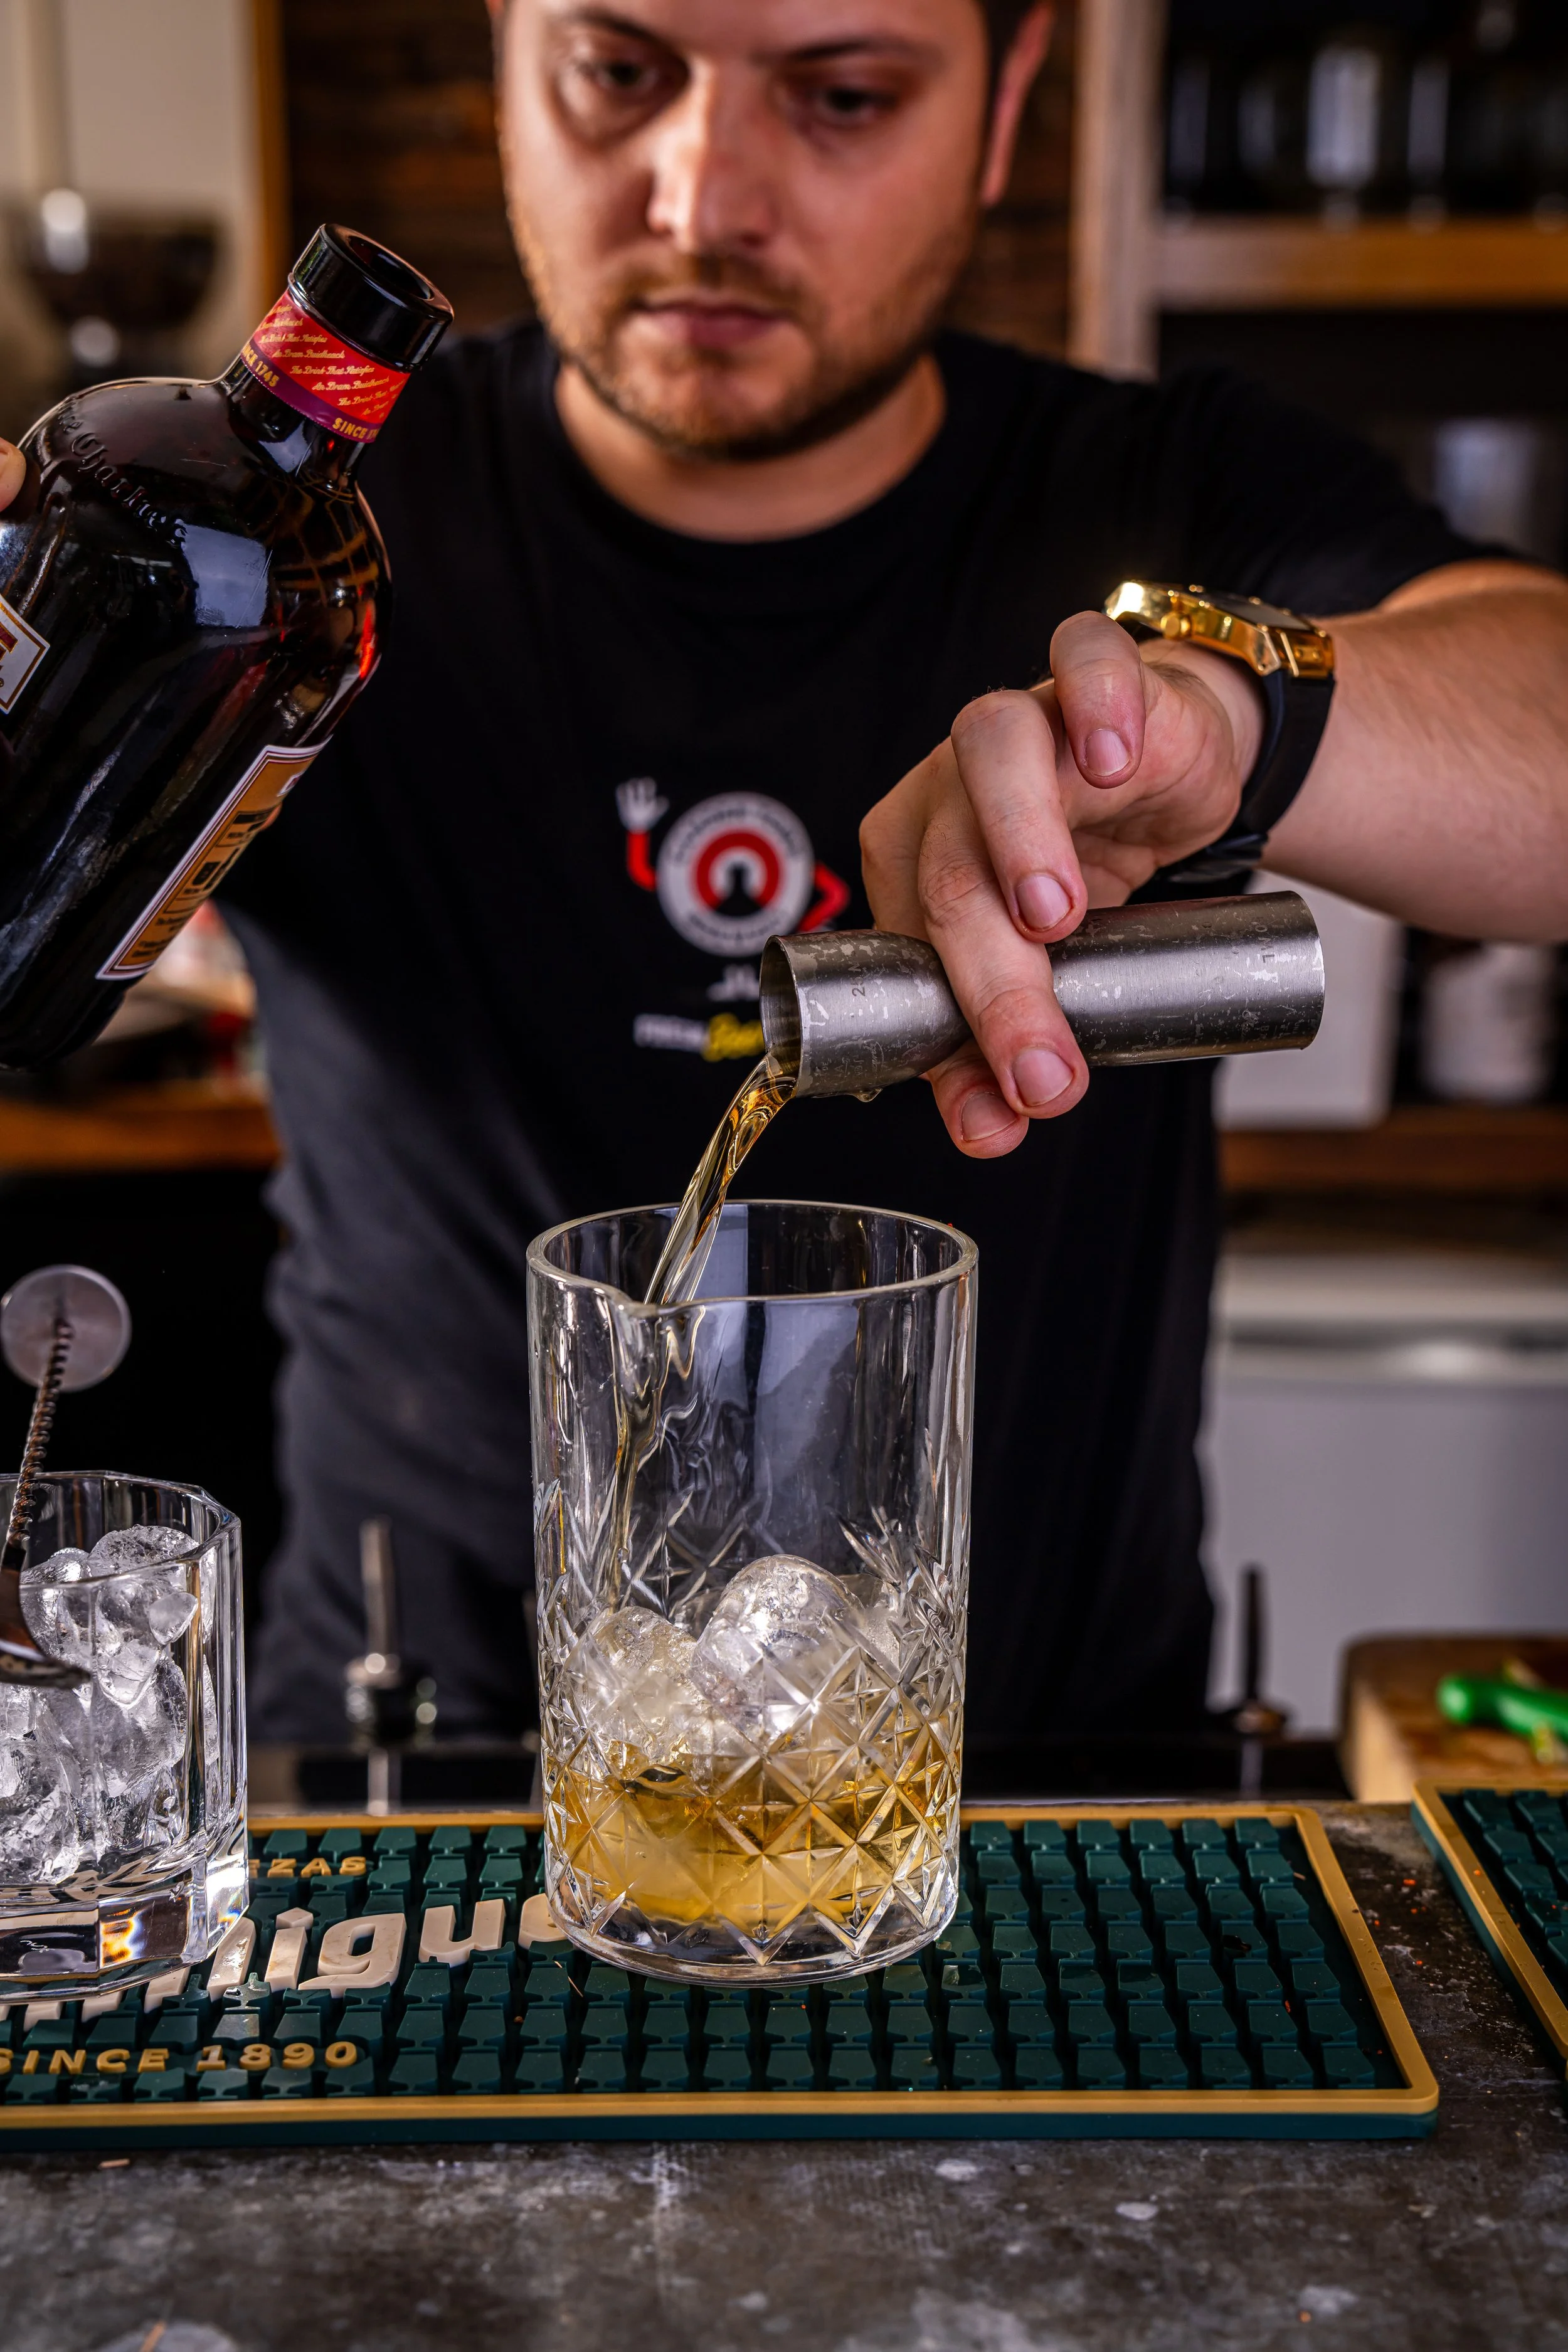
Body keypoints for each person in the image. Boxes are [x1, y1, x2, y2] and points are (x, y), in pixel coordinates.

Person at [8, 0, 1563, 1747]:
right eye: (618, 75)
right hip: (423, 1777)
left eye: (839, 94)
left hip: (1056, 1792)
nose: (702, 198)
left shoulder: (1164, 489)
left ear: (1005, 103)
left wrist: (1230, 719)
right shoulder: (280, 565)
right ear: (505, 55)